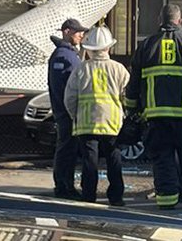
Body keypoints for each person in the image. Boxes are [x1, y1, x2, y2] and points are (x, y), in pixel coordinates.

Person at [125, 4, 182, 210]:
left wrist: (132, 108)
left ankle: (167, 200)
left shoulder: (147, 46)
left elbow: (134, 83)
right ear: (179, 21)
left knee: (163, 159)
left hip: (156, 117)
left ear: (160, 21)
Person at [64, 26, 130, 206]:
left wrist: (74, 116)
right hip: (113, 124)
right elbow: (128, 96)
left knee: (89, 163)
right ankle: (116, 197)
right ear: (108, 47)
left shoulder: (80, 69)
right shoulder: (119, 69)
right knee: (114, 161)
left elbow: (69, 98)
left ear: (89, 48)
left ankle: (89, 197)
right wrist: (126, 115)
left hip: (86, 124)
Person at [48, 18, 88, 200]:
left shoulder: (70, 54)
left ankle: (66, 185)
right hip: (67, 113)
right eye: (77, 31)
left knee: (69, 149)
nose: (81, 34)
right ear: (66, 31)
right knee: (66, 149)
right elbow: (63, 88)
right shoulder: (63, 57)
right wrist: (69, 109)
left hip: (69, 111)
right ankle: (64, 186)